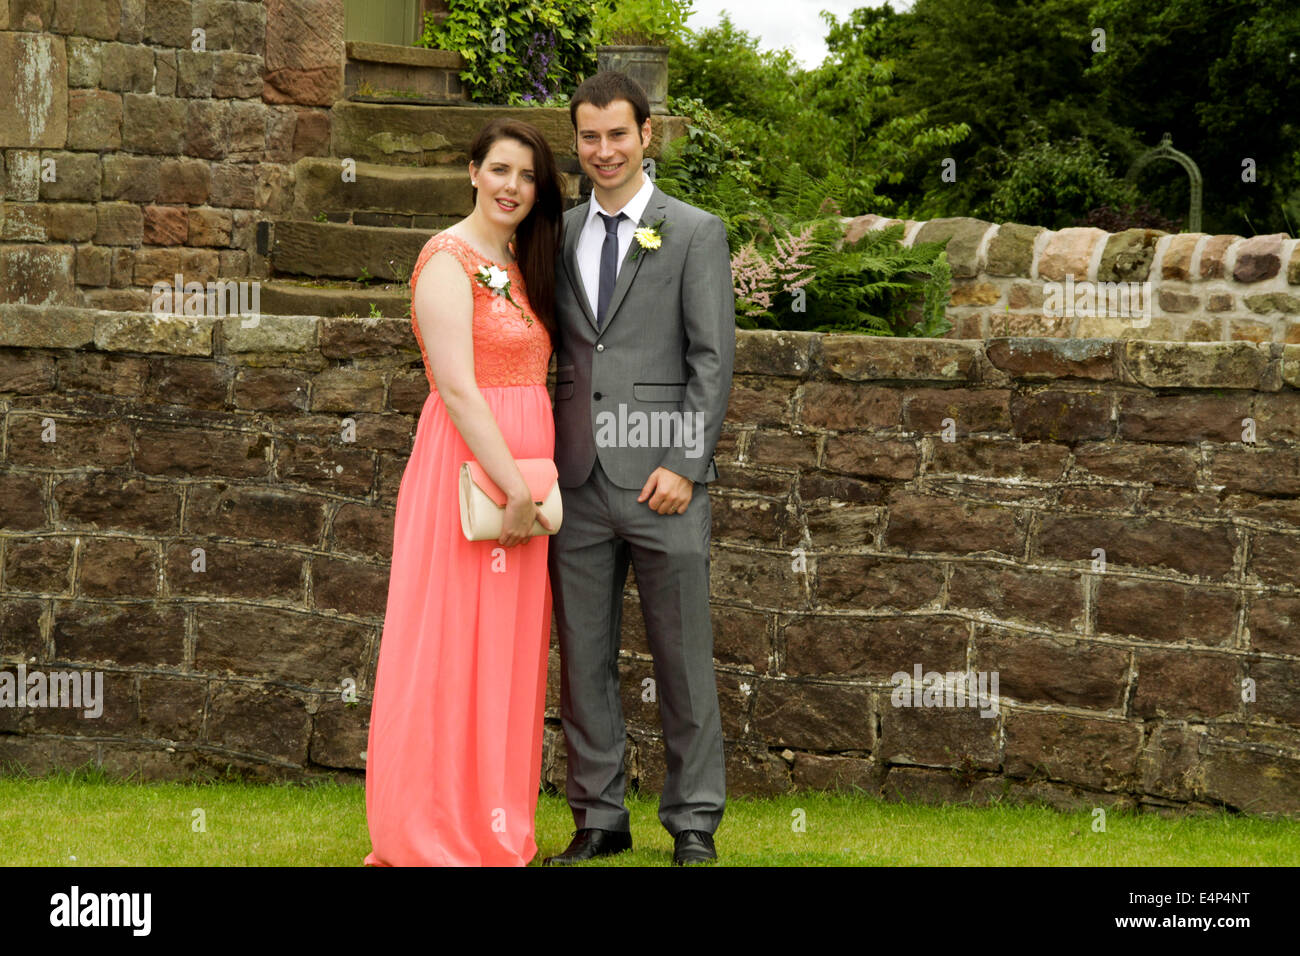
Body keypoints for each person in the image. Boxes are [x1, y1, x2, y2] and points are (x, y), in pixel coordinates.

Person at [544, 71, 736, 866]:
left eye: (617, 134)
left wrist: (686, 463)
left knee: (683, 658)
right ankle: (599, 818)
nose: (604, 150)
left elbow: (711, 358)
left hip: (664, 481)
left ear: (645, 135)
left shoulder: (692, 231)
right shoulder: (556, 235)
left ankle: (693, 822)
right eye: (589, 137)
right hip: (577, 481)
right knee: (583, 661)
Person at [364, 117, 564, 866]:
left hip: (526, 477)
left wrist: (530, 487)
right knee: (446, 650)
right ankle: (427, 833)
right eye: (501, 170)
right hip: (470, 472)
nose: (513, 186)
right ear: (472, 172)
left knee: (504, 659)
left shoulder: (518, 262)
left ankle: (494, 827)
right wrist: (511, 487)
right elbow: (455, 384)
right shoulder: (445, 259)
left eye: (528, 176)